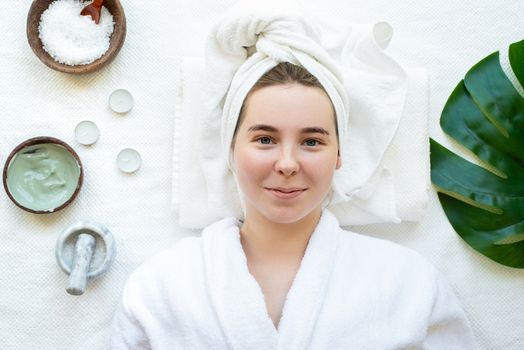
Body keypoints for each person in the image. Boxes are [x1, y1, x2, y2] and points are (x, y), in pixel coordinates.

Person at [109, 62, 478, 349]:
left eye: (312, 142)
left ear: (339, 156)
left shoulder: (408, 284)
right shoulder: (159, 287)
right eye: (265, 138)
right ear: (231, 150)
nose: (287, 163)